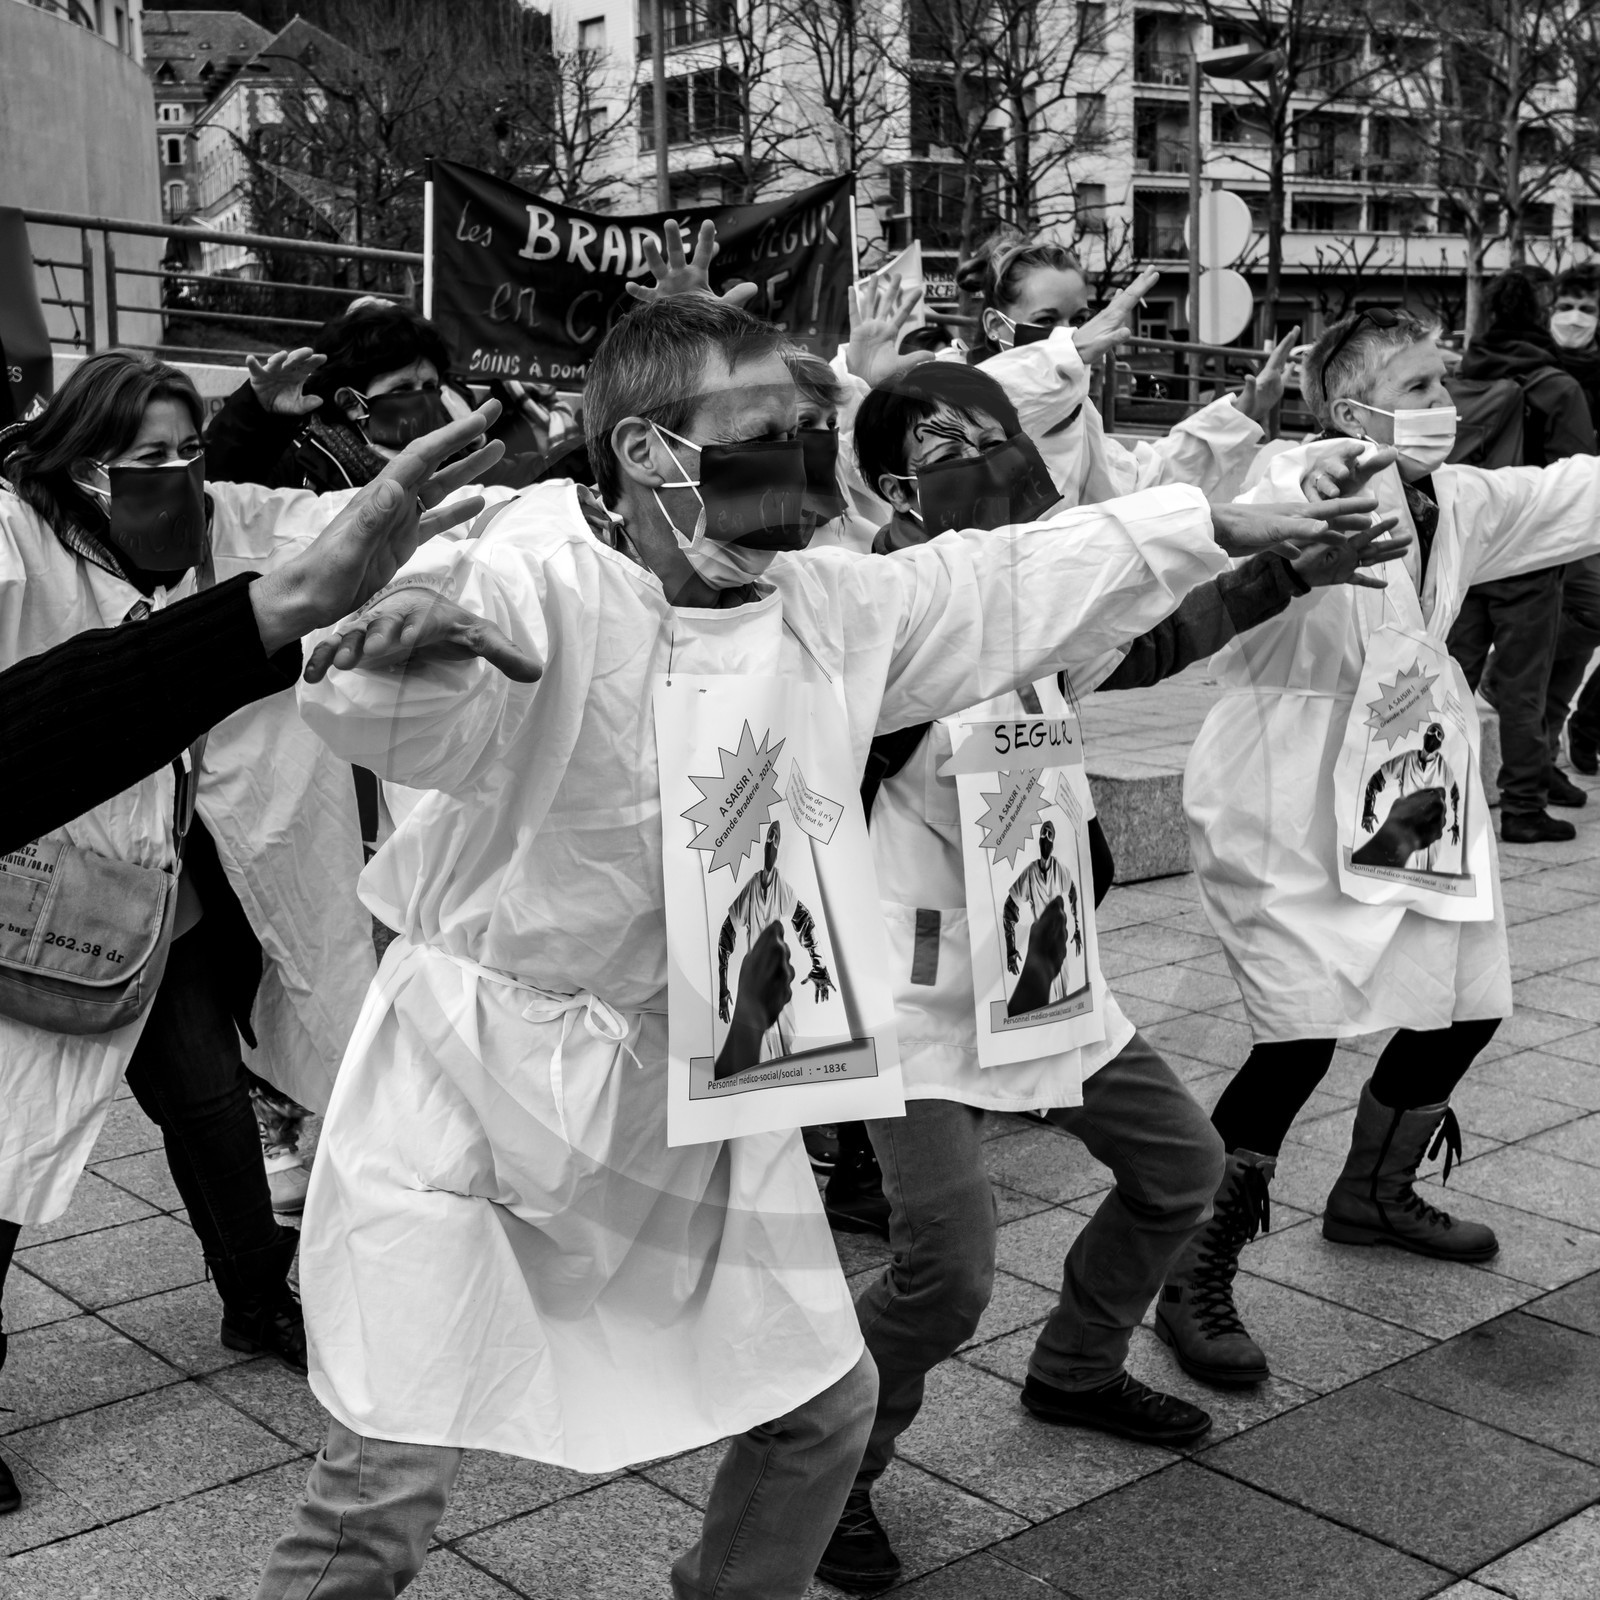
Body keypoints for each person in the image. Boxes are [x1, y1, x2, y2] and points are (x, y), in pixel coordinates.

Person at [256, 211, 1361, 1596]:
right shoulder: (525, 570)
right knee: (384, 1484)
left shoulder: (820, 605)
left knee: (821, 1409)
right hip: (480, 1090)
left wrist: (1204, 519)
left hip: (697, 1083)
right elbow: (410, 694)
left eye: (802, 429)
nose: (800, 471)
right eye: (765, 435)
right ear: (651, 452)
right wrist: (397, 660)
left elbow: (994, 579)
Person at [816, 357, 1403, 1592]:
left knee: (1180, 1171)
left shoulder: (1033, 601)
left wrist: (1292, 567)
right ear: (887, 486)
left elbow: (1137, 643)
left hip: (1037, 968)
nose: (1000, 460)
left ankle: (1075, 1365)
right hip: (903, 998)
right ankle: (829, 1478)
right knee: (946, 1269)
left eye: (1001, 432)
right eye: (956, 444)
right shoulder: (870, 611)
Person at [0, 355, 500, 1521]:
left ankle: (255, 1293)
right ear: (80, 462)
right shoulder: (20, 535)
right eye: (147, 459)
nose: (176, 476)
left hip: (151, 897)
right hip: (28, 894)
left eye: (189, 451)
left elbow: (320, 526)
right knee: (5, 1157)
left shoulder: (216, 521)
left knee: (213, 1101)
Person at [1169, 306, 1600, 1396]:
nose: (1440, 407)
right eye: (1415, 388)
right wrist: (1267, 466)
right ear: (1348, 405)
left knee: (1467, 998)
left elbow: (1572, 492)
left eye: (1440, 383)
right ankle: (1188, 1269)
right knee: (1299, 1031)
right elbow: (1195, 510)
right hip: (1287, 787)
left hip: (1410, 778)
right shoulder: (1297, 476)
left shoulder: (1454, 501)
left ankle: (1371, 1191)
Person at [959, 233, 1296, 509]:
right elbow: (982, 413)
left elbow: (1144, 481)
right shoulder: (943, 399)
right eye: (1046, 320)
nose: (1070, 334)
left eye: (1078, 320)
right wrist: (1066, 354)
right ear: (994, 326)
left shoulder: (1079, 416)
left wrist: (1241, 414)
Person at [1447, 270, 1598, 838]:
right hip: (1529, 555)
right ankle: (1524, 808)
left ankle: (1433, 792)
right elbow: (1581, 478)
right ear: (1542, 315)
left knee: (1450, 677)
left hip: (1468, 546)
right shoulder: (1557, 387)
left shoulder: (1463, 374)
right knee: (1523, 687)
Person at [1538, 266, 1600, 777]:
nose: (1576, 318)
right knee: (1585, 614)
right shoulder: (1536, 365)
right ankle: (1545, 749)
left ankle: (1586, 723)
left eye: (1588, 308)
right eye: (1567, 306)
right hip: (1555, 511)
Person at [716, 818, 834, 1063]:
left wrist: (819, 964)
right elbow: (726, 934)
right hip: (755, 982)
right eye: (770, 835)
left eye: (776, 837)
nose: (772, 841)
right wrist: (722, 987)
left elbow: (804, 921)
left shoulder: (781, 887)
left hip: (777, 980)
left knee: (784, 1046)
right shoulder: (751, 889)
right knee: (752, 1054)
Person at [1357, 722, 1461, 872]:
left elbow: (1455, 793)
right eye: (1432, 731)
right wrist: (1368, 810)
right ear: (1425, 735)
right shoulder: (1407, 759)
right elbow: (1376, 780)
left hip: (1429, 830)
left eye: (1439, 734)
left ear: (1440, 744)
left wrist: (1457, 822)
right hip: (1405, 825)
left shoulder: (1442, 766)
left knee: (1426, 874)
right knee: (1397, 872)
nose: (1434, 736)